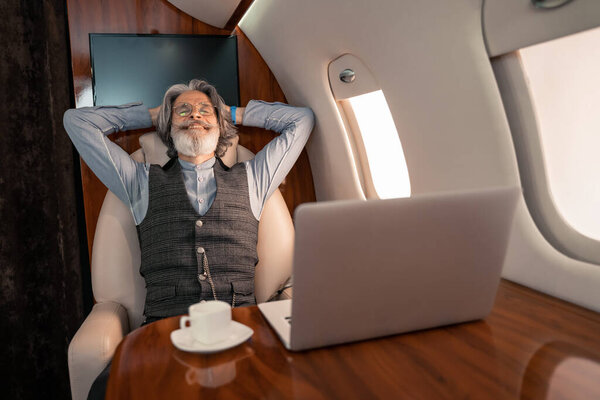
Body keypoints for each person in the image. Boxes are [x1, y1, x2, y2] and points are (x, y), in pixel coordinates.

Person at [63, 79, 314, 399]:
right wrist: (154, 114)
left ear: (220, 124)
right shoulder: (138, 181)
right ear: (168, 126)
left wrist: (231, 111)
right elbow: (77, 121)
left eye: (204, 110)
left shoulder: (255, 177)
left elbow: (301, 120)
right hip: (161, 336)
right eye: (183, 110)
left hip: (242, 331)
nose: (195, 114)